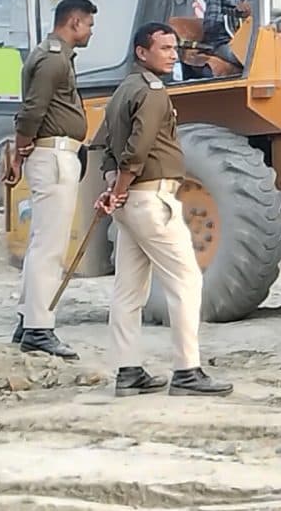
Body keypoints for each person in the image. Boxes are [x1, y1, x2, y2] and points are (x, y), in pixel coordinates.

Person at [99, 22, 230, 397]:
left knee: (128, 290)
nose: (174, 56)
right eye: (165, 49)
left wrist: (113, 188)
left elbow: (107, 144)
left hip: (129, 203)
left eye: (175, 49)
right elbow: (137, 150)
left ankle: (128, 371)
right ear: (142, 52)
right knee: (187, 281)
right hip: (151, 199)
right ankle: (187, 371)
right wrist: (120, 187)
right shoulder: (153, 92)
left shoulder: (123, 90)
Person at [9, 0, 95, 360]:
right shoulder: (53, 59)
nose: (91, 31)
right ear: (74, 22)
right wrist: (20, 148)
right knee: (50, 246)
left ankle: (29, 317)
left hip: (54, 153)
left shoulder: (54, 55)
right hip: (53, 155)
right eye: (89, 24)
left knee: (41, 243)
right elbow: (32, 109)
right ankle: (39, 328)